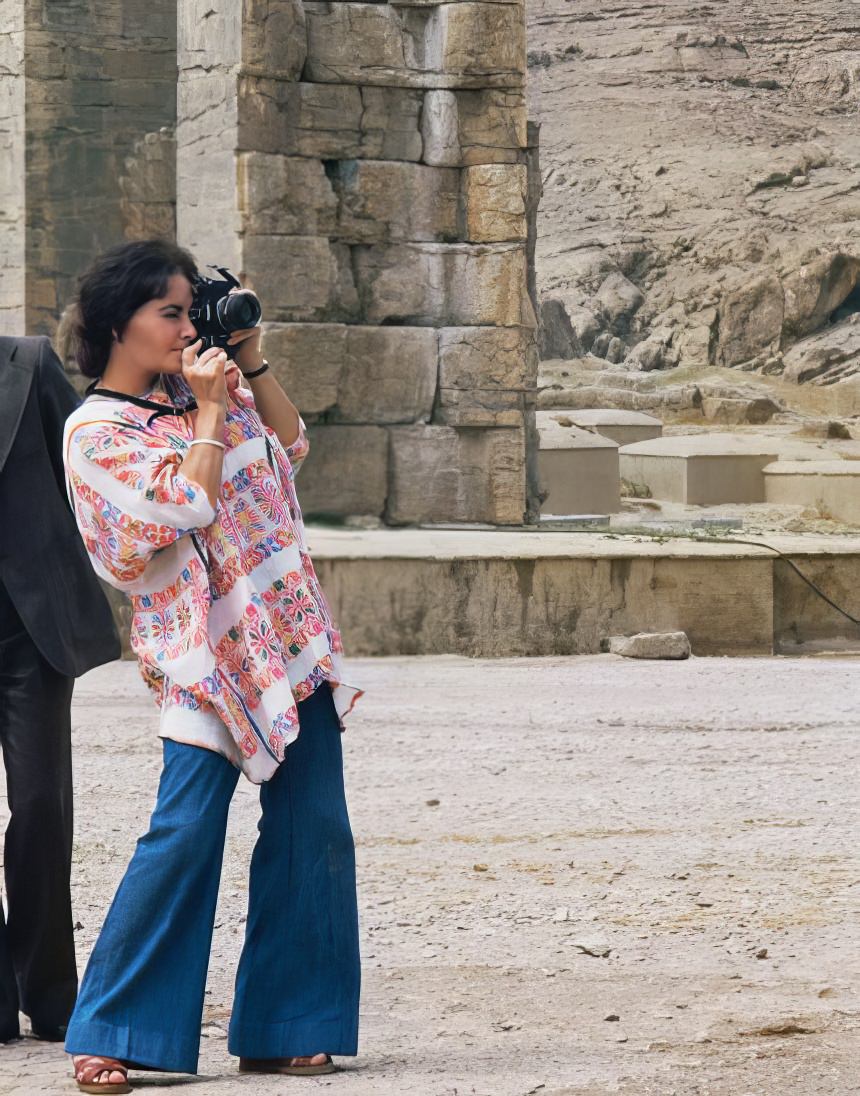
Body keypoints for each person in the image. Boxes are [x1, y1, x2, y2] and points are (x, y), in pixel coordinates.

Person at [60, 239, 362, 1094]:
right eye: (172, 312)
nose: (189, 327)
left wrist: (250, 361)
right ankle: (114, 1026)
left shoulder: (206, 393)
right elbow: (181, 503)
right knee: (185, 832)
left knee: (316, 831)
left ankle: (288, 1027)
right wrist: (203, 416)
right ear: (118, 323)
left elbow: (291, 445)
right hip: (203, 652)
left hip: (286, 639)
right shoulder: (97, 431)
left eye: (195, 309)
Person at [0, 334, 120, 1044]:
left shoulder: (30, 364)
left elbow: (89, 473)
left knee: (42, 804)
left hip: (28, 629)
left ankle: (48, 991)